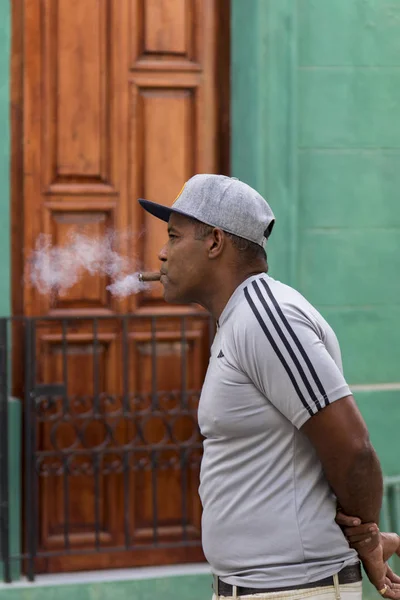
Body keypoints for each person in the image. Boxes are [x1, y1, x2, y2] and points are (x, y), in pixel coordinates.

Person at [138, 174, 400, 600]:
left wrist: (367, 541)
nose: (162, 254)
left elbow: (354, 450)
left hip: (295, 590)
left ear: (215, 242)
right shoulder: (239, 320)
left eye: (173, 236)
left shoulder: (264, 317)